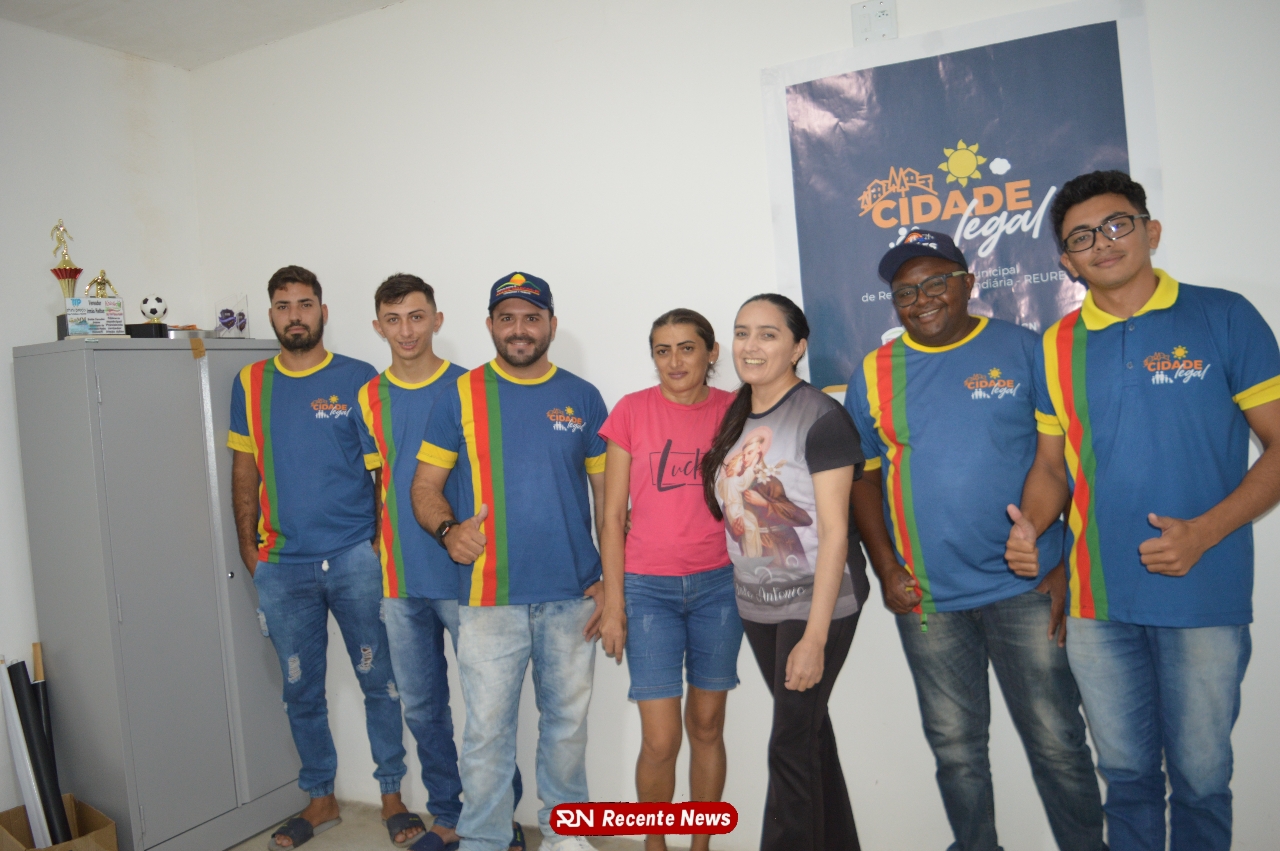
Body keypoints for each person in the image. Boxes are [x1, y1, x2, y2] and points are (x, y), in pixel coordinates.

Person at [1006, 170, 1280, 851]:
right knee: (1126, 779)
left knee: (1201, 781)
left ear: (1150, 231)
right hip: (1097, 605)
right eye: (1082, 237)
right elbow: (1051, 466)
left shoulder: (1224, 316)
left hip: (1202, 593)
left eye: (1116, 225)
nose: (1102, 243)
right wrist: (1031, 526)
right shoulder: (1055, 344)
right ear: (1067, 261)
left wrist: (1205, 532)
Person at [846, 231, 1105, 851]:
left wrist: (1065, 567)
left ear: (969, 283)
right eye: (905, 292)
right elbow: (863, 477)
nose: (922, 300)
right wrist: (885, 568)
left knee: (1057, 743)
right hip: (928, 598)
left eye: (936, 283)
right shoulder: (873, 373)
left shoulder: (1025, 350)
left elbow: (1071, 462)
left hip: (1027, 589)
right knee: (956, 751)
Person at [412, 272, 608, 851]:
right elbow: (424, 487)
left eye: (531, 318)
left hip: (573, 595)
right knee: (486, 735)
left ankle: (566, 837)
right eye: (507, 318)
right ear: (491, 325)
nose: (519, 330)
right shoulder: (460, 394)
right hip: (487, 598)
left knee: (567, 729)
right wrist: (448, 531)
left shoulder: (583, 397)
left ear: (551, 323)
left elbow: (610, 503)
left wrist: (611, 582)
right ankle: (484, 840)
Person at [229, 265, 409, 850]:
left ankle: (391, 796)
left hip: (355, 560)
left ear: (323, 312)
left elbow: (381, 470)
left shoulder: (358, 378)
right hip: (283, 567)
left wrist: (376, 544)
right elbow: (245, 468)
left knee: (378, 682)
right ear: (271, 315)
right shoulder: (250, 382)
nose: (295, 316)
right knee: (299, 690)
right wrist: (249, 548)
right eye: (283, 306)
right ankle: (320, 797)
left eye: (305, 304)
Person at [701, 293, 868, 851]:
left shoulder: (822, 418)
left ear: (798, 347)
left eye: (768, 334)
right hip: (758, 604)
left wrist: (815, 638)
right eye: (742, 332)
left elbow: (836, 533)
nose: (751, 345)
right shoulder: (738, 415)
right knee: (808, 737)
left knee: (789, 745)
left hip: (816, 604)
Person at [598, 309, 742, 851]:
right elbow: (612, 517)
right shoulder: (631, 411)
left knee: (707, 726)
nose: (674, 361)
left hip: (719, 587)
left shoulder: (735, 411)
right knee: (660, 740)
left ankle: (700, 845)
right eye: (663, 350)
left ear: (711, 353)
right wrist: (614, 605)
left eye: (687, 348)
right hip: (647, 590)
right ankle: (655, 845)